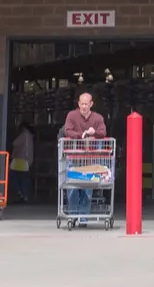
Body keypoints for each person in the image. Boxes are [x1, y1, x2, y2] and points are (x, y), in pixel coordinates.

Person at [62, 93, 107, 222]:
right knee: (72, 188)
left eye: (86, 104)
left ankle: (83, 218)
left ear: (91, 104)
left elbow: (103, 132)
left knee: (87, 189)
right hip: (73, 158)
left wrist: (94, 133)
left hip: (90, 159)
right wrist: (81, 135)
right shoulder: (72, 115)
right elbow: (67, 130)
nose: (84, 106)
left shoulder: (98, 118)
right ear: (78, 103)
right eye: (82, 104)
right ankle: (73, 216)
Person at [10, 123, 35, 204]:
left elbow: (15, 143)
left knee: (13, 176)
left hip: (19, 159)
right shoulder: (30, 136)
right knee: (25, 178)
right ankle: (25, 195)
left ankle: (20, 193)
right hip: (28, 160)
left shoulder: (24, 135)